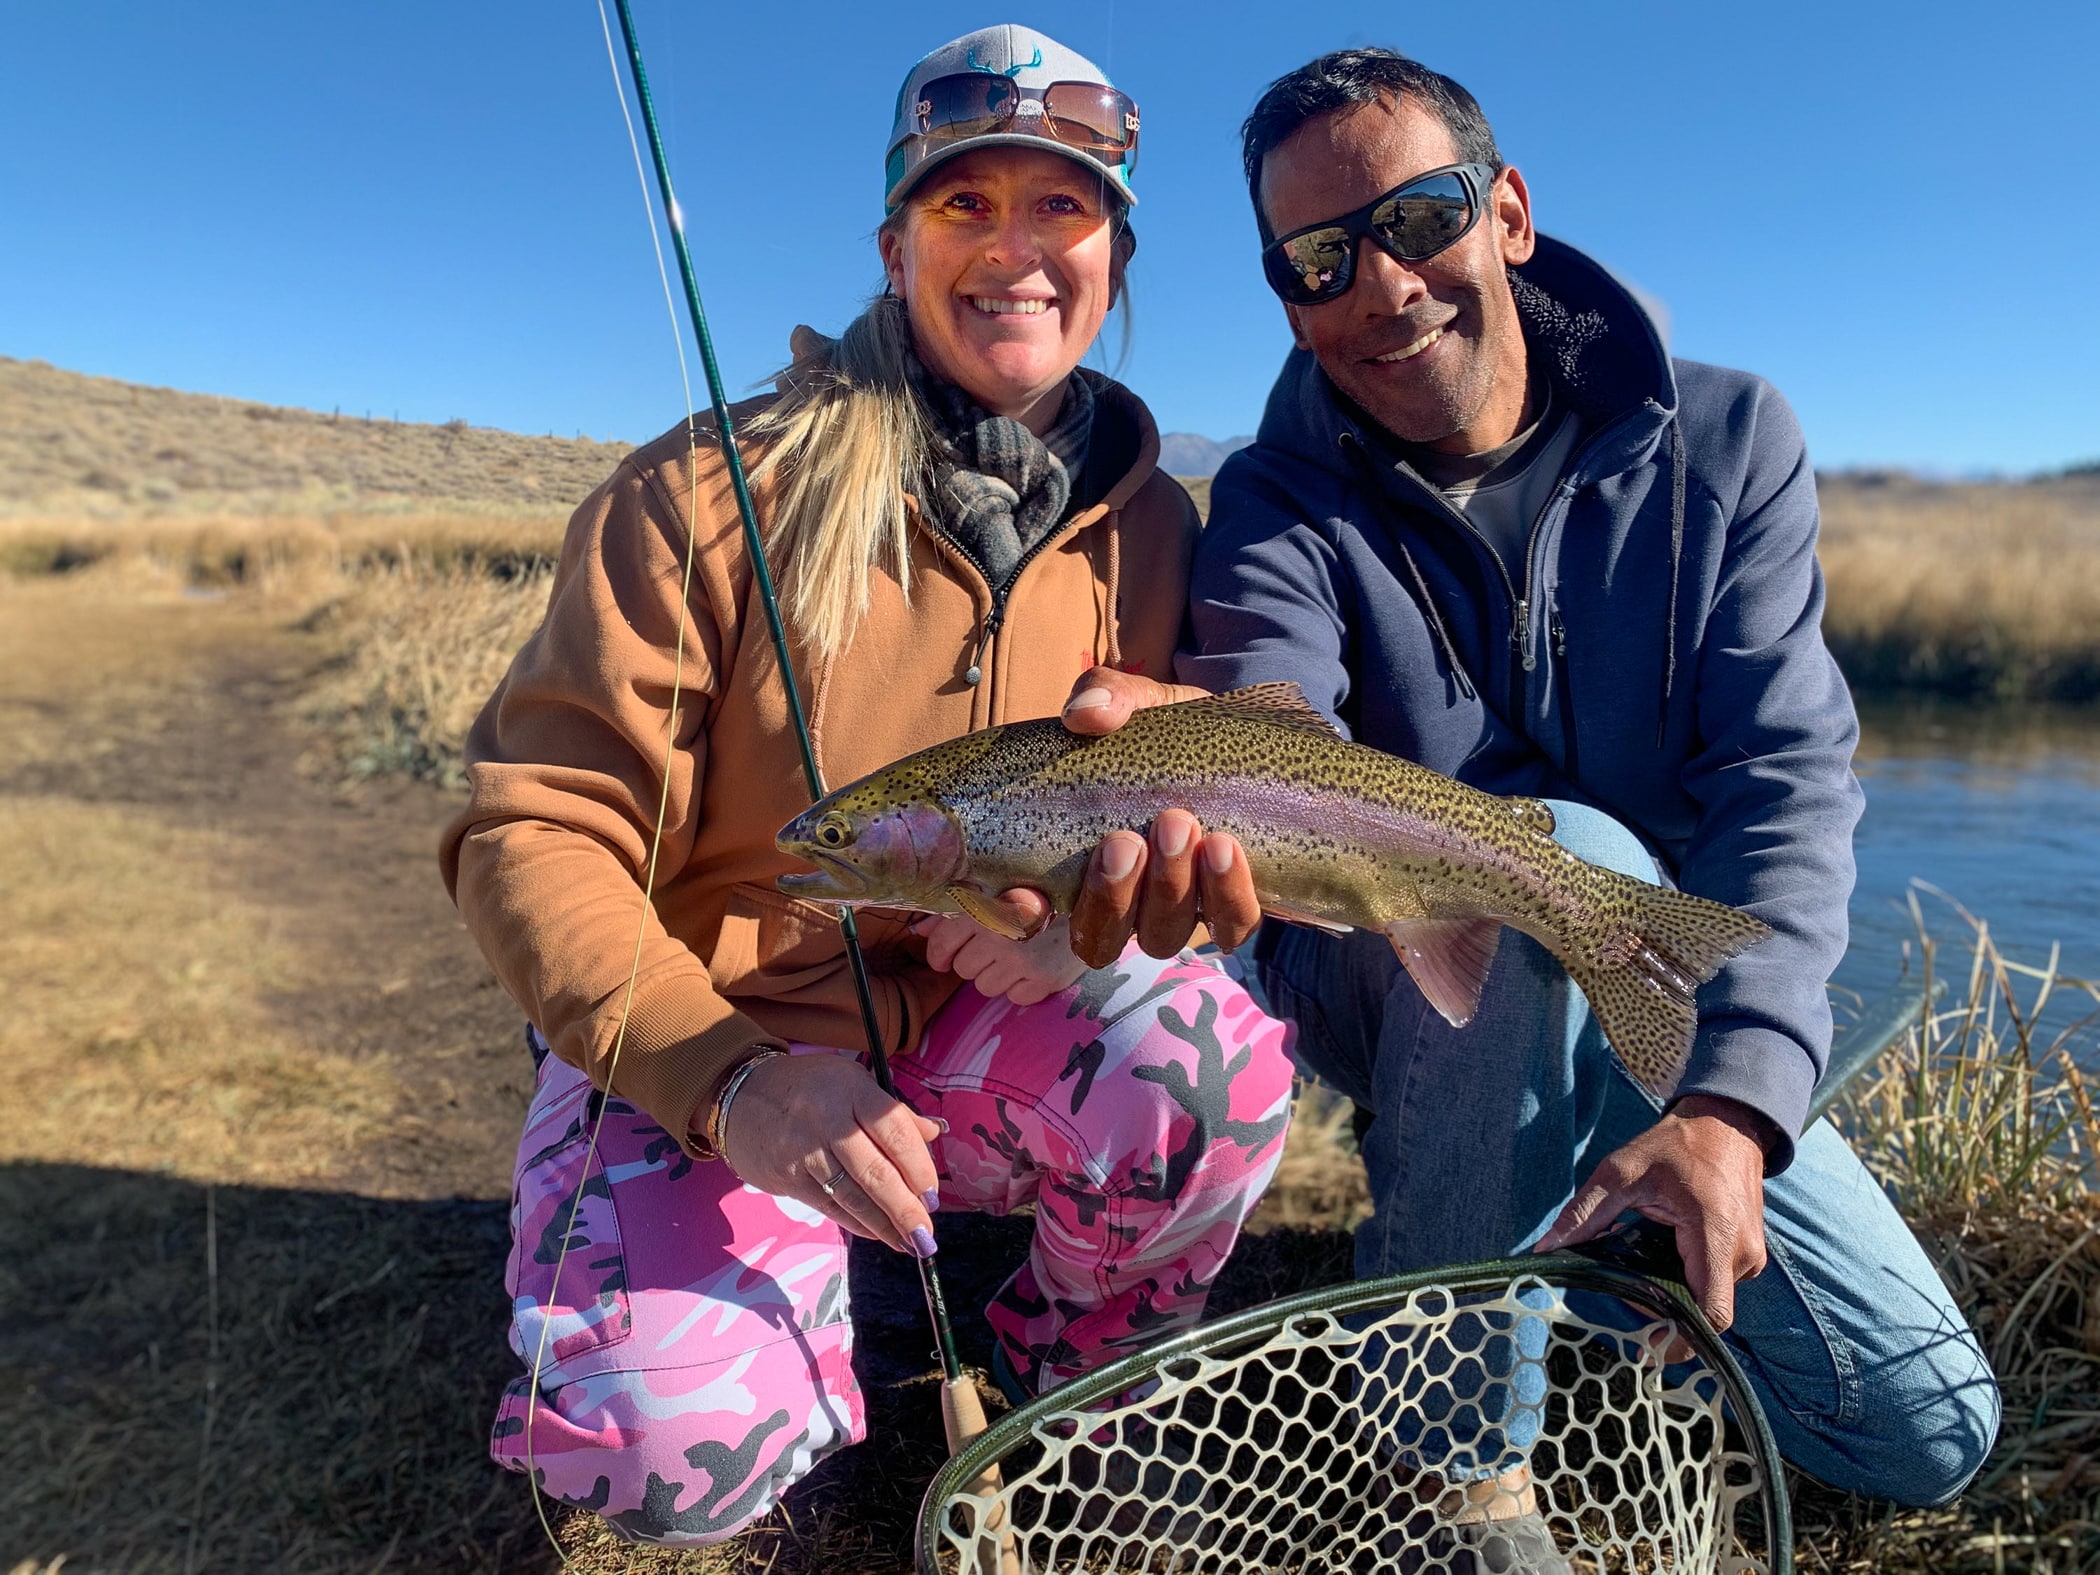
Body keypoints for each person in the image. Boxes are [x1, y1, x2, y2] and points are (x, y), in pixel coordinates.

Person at [1051, 45, 1999, 1569]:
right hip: (1395, 972)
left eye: (1418, 219)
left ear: (1507, 211)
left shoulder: (1731, 443)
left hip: (1663, 985)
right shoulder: (1277, 502)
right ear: (1285, 295)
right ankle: (1445, 1460)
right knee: (1563, 851)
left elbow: (1784, 787)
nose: (1380, 285)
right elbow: (1278, 720)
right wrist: (1206, 768)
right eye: (1316, 259)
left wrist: (1733, 1106)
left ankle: (1591, 1231)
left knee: (1923, 1431)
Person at [439, 25, 1293, 1548]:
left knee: (1207, 1067)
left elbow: (1181, 839)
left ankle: (1066, 1385)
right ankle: (709, 1270)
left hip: (969, 1038)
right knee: (662, 1456)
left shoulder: (1164, 528)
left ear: (1114, 256)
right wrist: (736, 1083)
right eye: (965, 205)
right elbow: (533, 828)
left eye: (1062, 207)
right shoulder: (700, 493)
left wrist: (1083, 931)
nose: (1015, 249)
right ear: (896, 249)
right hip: (709, 1037)